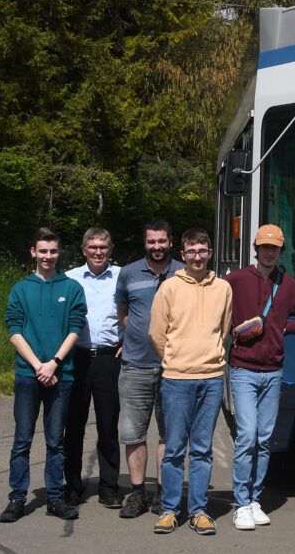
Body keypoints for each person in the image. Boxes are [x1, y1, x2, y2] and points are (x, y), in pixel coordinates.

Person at [225, 224, 295, 531]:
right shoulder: (235, 280)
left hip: (273, 371)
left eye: (275, 248)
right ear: (256, 248)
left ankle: (254, 499)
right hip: (242, 369)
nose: (269, 252)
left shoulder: (288, 284)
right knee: (247, 436)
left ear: (281, 251)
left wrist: (284, 329)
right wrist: (229, 330)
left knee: (265, 439)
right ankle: (241, 503)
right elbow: (216, 308)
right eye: (264, 247)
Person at [0, 227, 87, 523]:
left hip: (61, 375)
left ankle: (54, 497)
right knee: (22, 438)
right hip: (28, 374)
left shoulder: (72, 287)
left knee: (55, 440)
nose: (48, 256)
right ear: (33, 253)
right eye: (43, 251)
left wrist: (54, 363)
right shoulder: (20, 289)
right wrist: (38, 365)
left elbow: (76, 328)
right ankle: (17, 498)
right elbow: (14, 331)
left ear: (59, 253)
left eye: (53, 251)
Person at [149, 228, 233, 535]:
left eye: (202, 251)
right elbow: (157, 334)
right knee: (173, 448)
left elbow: (223, 332)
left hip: (211, 378)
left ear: (210, 253)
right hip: (177, 379)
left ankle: (198, 510)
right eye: (191, 252)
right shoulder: (169, 288)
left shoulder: (223, 288)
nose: (197, 257)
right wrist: (176, 357)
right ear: (182, 255)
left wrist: (209, 356)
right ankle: (170, 509)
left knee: (201, 449)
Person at [114, 219, 184, 518]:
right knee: (133, 433)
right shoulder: (128, 273)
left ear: (171, 241)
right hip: (136, 365)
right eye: (151, 242)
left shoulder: (184, 272)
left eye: (162, 241)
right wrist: (139, 338)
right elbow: (123, 313)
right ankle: (138, 493)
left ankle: (162, 495)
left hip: (175, 368)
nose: (157, 247)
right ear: (145, 243)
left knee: (169, 435)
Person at [63, 227, 123, 509]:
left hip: (110, 358)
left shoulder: (122, 276)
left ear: (111, 249)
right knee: (73, 425)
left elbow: (133, 311)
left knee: (108, 425)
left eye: (103, 247)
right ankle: (73, 485)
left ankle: (109, 486)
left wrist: (128, 342)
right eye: (93, 247)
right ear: (84, 249)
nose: (98, 252)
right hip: (77, 357)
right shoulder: (69, 278)